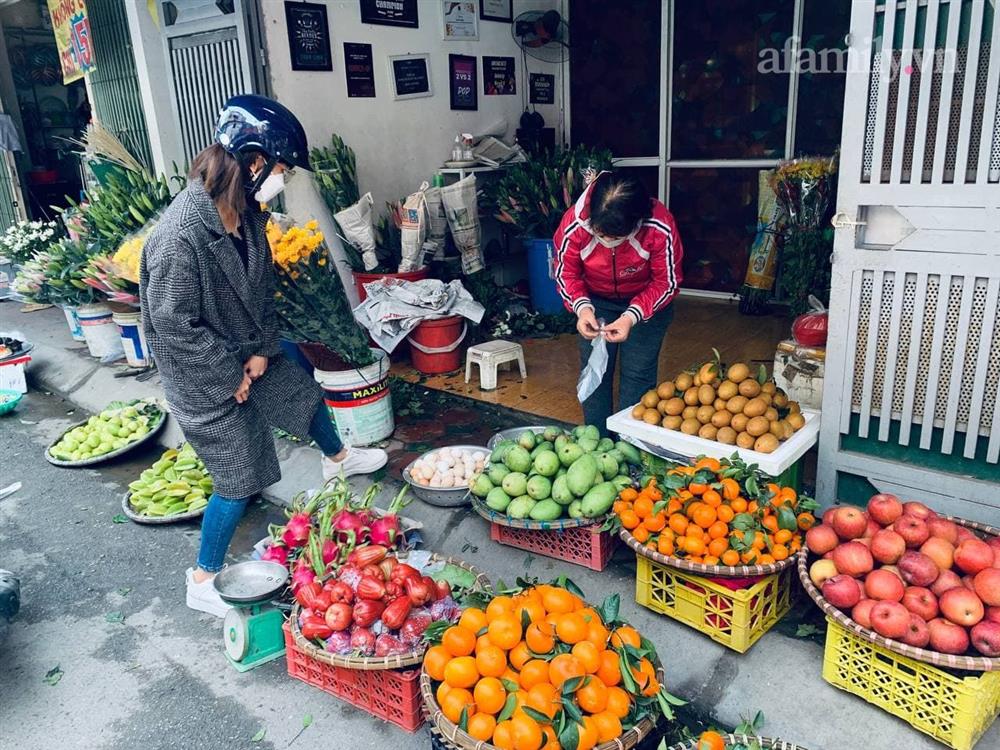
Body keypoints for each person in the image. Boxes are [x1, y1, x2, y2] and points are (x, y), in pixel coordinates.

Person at [140, 95, 387, 618]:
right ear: (251, 162)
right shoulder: (179, 237)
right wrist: (231, 374)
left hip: (248, 352)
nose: (280, 178)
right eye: (278, 168)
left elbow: (261, 294)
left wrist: (260, 355)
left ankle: (338, 460)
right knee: (238, 475)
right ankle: (203, 576)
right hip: (201, 374)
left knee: (303, 396)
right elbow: (171, 323)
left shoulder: (248, 215)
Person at [554, 171, 684, 429]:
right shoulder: (575, 224)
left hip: (647, 304)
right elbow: (566, 272)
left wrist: (631, 316)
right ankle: (596, 443)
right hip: (595, 301)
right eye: (600, 233)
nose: (607, 242)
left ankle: (630, 446)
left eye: (615, 237)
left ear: (637, 222)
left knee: (638, 376)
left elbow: (666, 282)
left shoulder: (659, 226)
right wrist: (582, 308)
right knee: (595, 372)